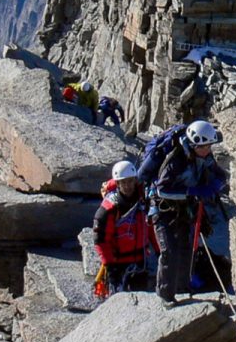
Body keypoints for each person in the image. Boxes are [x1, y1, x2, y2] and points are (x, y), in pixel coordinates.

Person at [152, 119, 226, 303]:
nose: (208, 150)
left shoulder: (204, 157)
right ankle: (165, 296)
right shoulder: (175, 161)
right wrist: (191, 192)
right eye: (204, 147)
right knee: (169, 251)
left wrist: (215, 185)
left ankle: (182, 289)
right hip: (164, 211)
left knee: (186, 249)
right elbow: (162, 190)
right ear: (193, 144)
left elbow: (221, 176)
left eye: (209, 146)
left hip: (185, 211)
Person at [92, 160, 157, 294]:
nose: (127, 186)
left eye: (130, 181)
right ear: (117, 184)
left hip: (141, 262)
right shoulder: (109, 209)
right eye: (123, 182)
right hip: (118, 265)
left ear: (135, 180)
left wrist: (159, 250)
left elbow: (150, 228)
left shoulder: (142, 202)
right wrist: (110, 267)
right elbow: (101, 240)